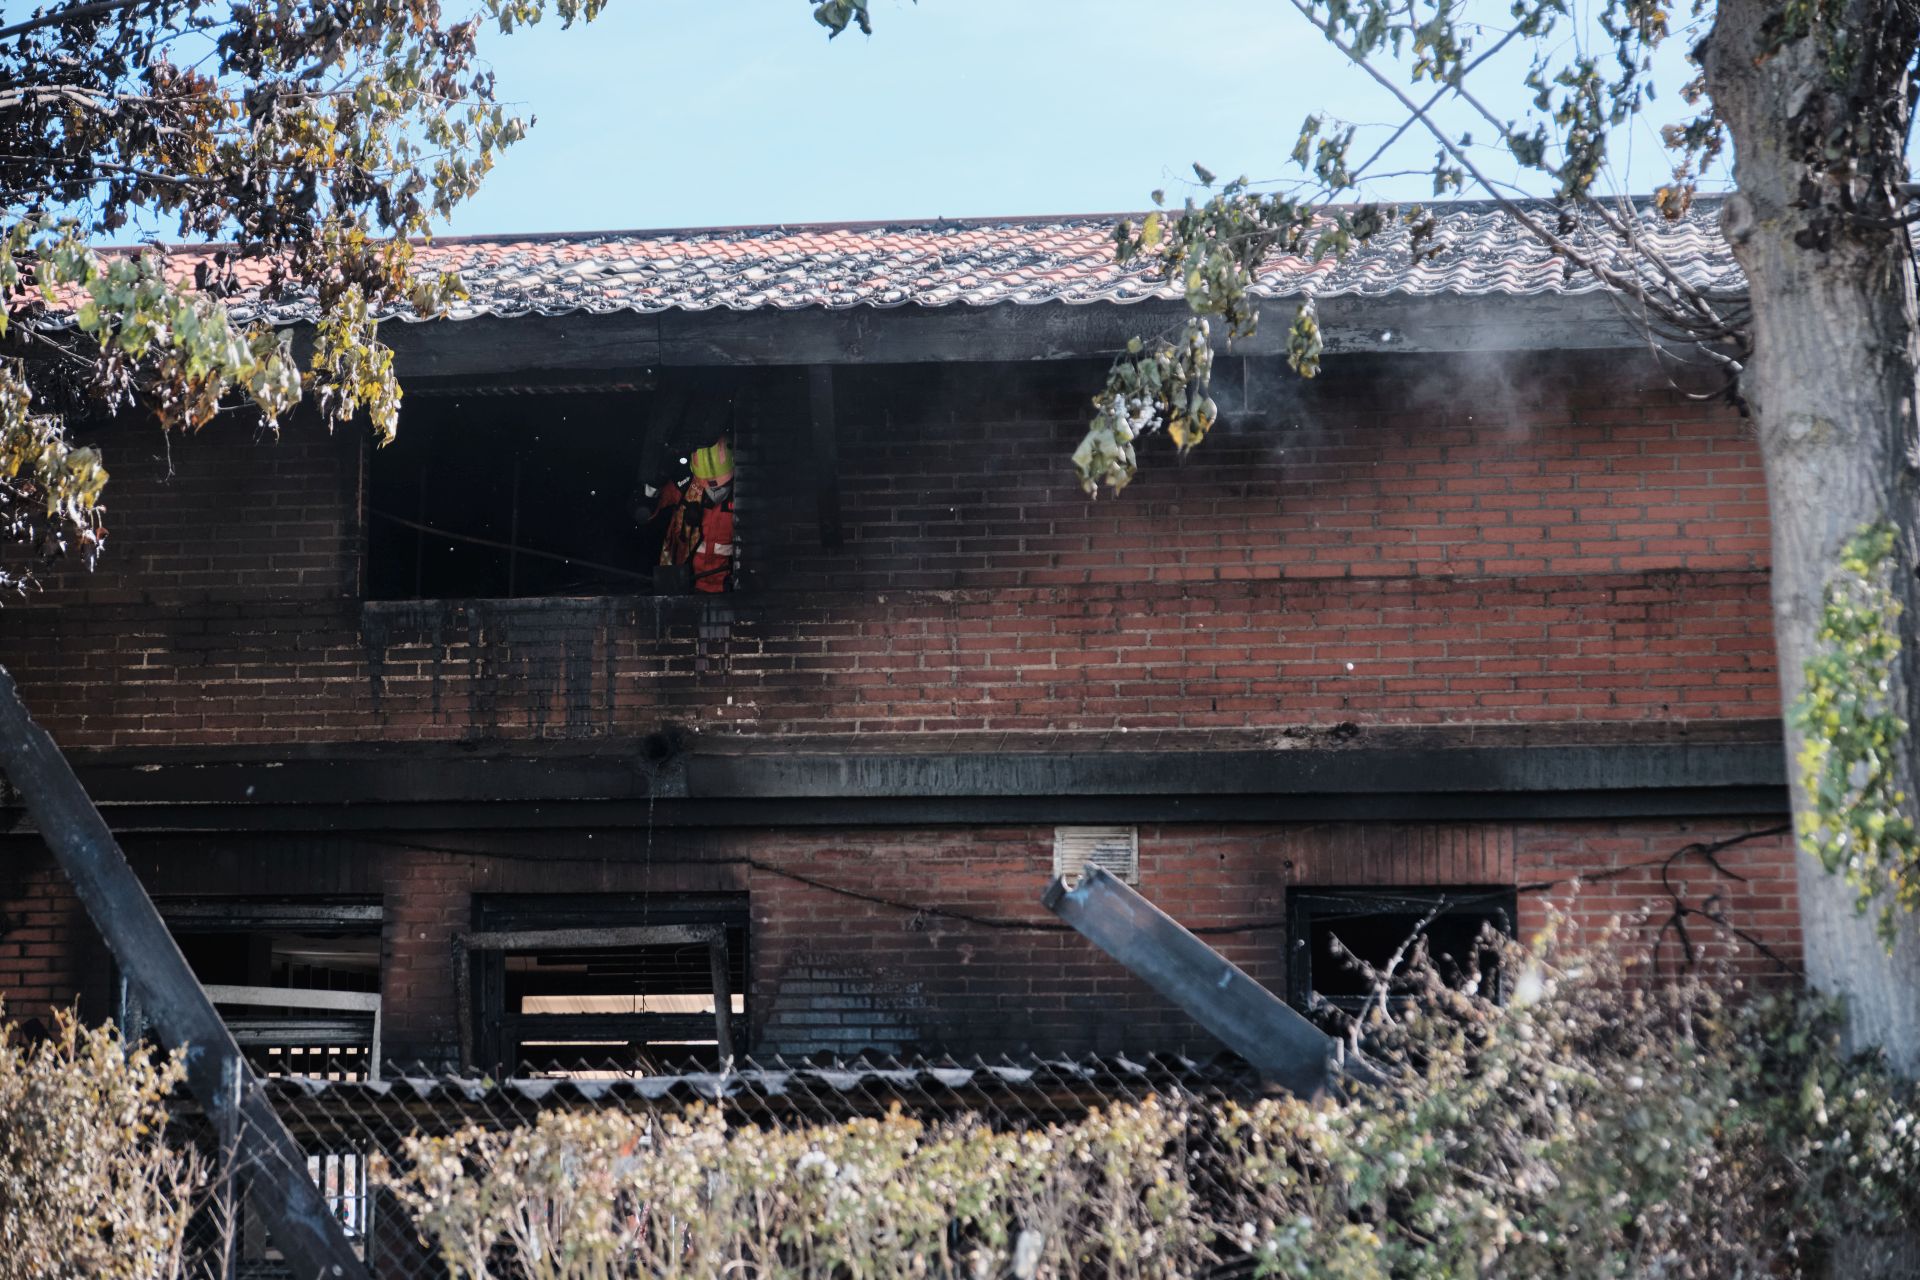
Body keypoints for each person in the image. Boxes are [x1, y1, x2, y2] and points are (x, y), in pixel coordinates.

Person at [644, 436, 735, 593]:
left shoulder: (745, 495)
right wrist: (653, 485)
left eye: (721, 484)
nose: (714, 490)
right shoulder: (686, 486)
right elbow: (648, 509)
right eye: (706, 484)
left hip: (727, 588)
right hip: (684, 585)